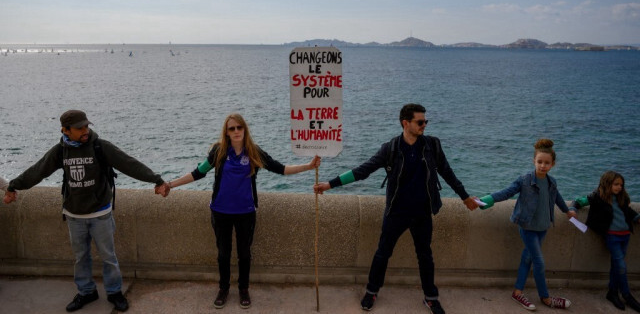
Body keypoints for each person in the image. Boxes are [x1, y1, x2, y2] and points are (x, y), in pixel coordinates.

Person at [314, 103, 478, 314]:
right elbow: (363, 170)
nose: (424, 125)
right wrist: (330, 184)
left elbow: (447, 172)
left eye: (425, 121)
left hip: (423, 212)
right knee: (383, 253)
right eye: (420, 122)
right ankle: (372, 291)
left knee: (425, 256)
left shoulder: (432, 146)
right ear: (405, 123)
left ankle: (430, 297)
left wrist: (465, 197)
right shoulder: (391, 148)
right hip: (396, 212)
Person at [3, 110, 170, 312]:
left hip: (100, 213)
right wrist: (13, 186)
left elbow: (129, 164)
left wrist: (157, 180)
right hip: (74, 215)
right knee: (81, 257)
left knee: (109, 256)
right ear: (65, 130)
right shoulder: (60, 151)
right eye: (79, 128)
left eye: (86, 126)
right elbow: (39, 170)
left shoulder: (100, 146)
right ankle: (86, 292)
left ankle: (114, 292)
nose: (85, 130)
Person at [166, 113, 320, 310]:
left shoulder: (254, 152)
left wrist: (309, 166)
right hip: (220, 211)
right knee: (223, 253)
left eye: (239, 127)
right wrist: (171, 184)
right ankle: (223, 289)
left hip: (246, 212)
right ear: (227, 132)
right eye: (232, 128)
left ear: (244, 129)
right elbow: (198, 172)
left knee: (245, 254)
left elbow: (281, 169)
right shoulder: (219, 151)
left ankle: (243, 289)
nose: (236, 131)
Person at [478, 138, 572, 311]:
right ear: (533, 161)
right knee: (539, 263)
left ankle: (517, 292)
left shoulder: (552, 182)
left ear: (553, 164)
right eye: (539, 162)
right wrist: (487, 200)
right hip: (527, 227)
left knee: (527, 259)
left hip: (543, 227)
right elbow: (507, 192)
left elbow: (556, 198)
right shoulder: (525, 180)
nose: (543, 166)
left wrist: (567, 211)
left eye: (547, 163)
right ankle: (546, 298)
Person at [568, 171, 640, 312]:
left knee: (616, 266)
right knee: (621, 266)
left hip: (625, 235)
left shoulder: (622, 197)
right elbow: (578, 201)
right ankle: (627, 295)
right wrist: (572, 209)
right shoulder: (597, 196)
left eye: (621, 184)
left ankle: (612, 293)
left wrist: (637, 217)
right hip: (612, 236)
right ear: (607, 184)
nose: (619, 187)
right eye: (616, 184)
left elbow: (627, 211)